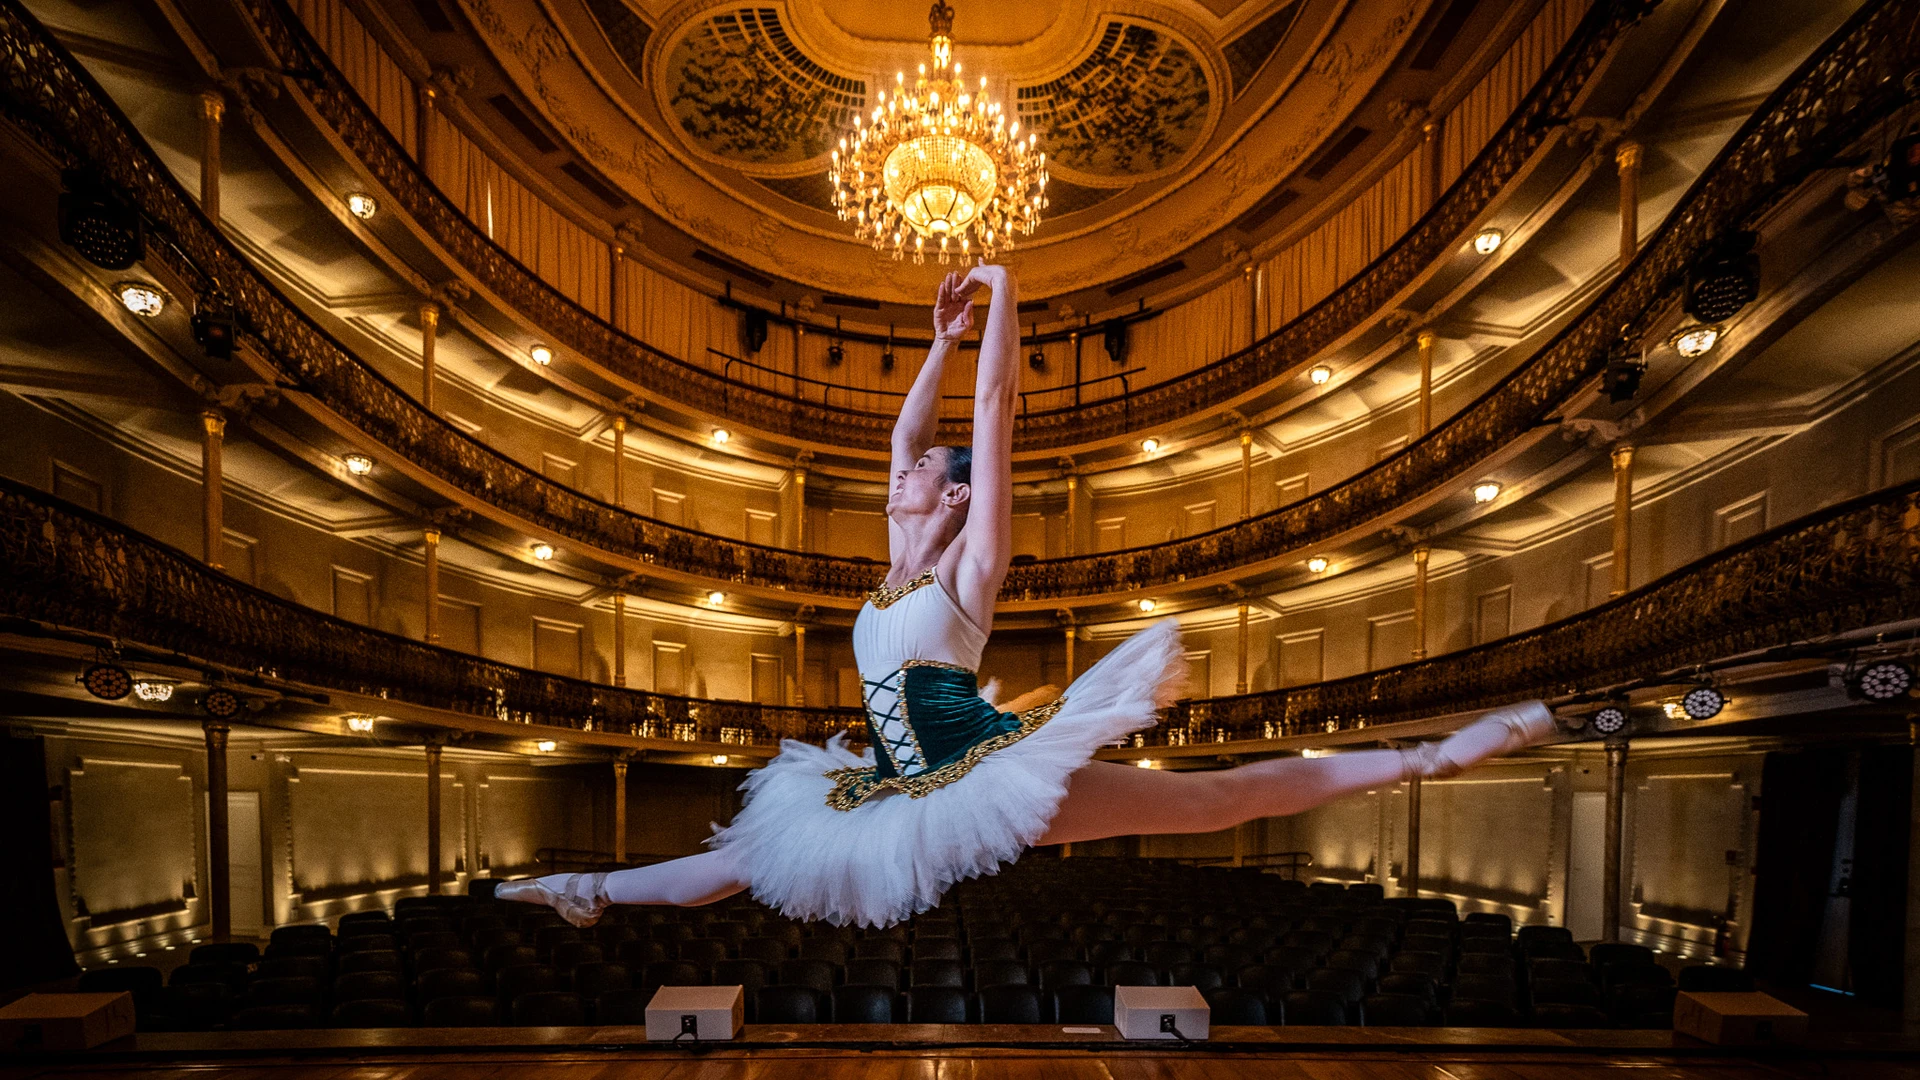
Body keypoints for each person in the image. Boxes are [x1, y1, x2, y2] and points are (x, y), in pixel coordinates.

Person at [498, 263, 1556, 928]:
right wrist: (939, 342)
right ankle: (585, 894)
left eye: (922, 474)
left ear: (955, 497)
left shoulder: (970, 563)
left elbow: (992, 414)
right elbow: (911, 434)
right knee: (739, 863)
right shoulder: (892, 557)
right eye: (902, 472)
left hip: (978, 770)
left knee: (1204, 803)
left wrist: (1003, 289)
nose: (899, 472)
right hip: (894, 781)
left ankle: (1431, 756)